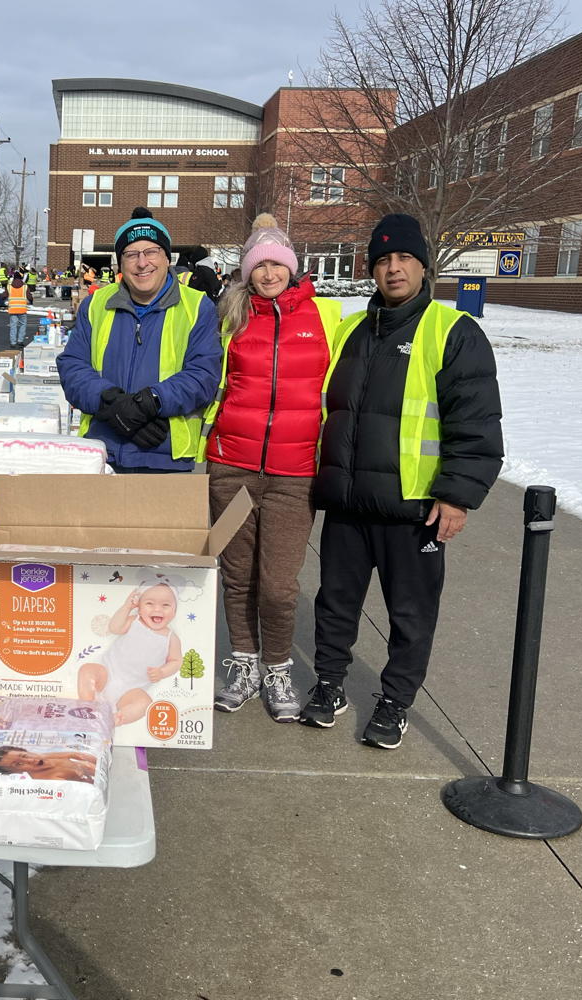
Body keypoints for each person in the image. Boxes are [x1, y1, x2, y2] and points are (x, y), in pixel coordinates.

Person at [301, 213, 503, 749]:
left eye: (404, 259)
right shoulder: (350, 330)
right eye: (383, 260)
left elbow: (475, 422)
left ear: (422, 267)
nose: (393, 269)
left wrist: (457, 496)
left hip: (414, 508)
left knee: (410, 614)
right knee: (335, 603)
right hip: (349, 502)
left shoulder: (453, 331)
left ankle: (395, 700)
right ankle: (329, 685)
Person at [204, 214, 343, 721]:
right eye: (258, 265)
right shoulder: (231, 316)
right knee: (237, 575)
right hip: (231, 465)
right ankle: (244, 661)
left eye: (276, 264)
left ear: (292, 267)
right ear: (247, 271)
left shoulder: (326, 317)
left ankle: (277, 665)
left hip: (294, 472)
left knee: (279, 583)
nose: (268, 273)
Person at [56, 208, 222, 473]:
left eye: (151, 251)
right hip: (101, 456)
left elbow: (203, 375)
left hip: (166, 458)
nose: (142, 263)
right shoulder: (97, 304)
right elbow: (73, 367)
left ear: (167, 258)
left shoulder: (197, 307)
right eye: (131, 254)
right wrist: (110, 402)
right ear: (120, 263)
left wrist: (151, 401)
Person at [77, 581, 183, 725]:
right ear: (139, 607)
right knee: (87, 670)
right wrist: (127, 607)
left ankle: (115, 719)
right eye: (150, 604)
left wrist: (162, 672)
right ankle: (88, 705)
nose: (157, 609)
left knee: (144, 702)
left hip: (131, 690)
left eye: (166, 605)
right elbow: (114, 627)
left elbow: (176, 661)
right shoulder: (135, 621)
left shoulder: (171, 637)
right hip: (107, 674)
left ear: (174, 611)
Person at [0, 745, 98, 783]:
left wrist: (97, 762)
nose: (29, 760)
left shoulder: (45, 756)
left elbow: (75, 755)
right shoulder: (48, 779)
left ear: (27, 750)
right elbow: (85, 786)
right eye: (18, 764)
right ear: (15, 772)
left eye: (24, 756)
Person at [5, 270, 30, 347]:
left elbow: (3, 295)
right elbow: (29, 296)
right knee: (23, 325)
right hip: (22, 310)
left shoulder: (9, 286)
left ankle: (13, 342)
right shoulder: (25, 287)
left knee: (13, 326)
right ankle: (20, 341)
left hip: (13, 310)